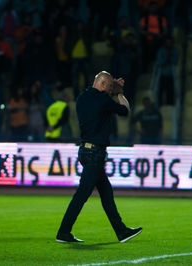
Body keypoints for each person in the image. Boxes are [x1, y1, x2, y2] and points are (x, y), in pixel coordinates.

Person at [56, 71, 142, 243]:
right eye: (109, 87)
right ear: (103, 85)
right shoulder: (104, 100)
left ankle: (121, 231)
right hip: (95, 153)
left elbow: (98, 106)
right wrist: (119, 93)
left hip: (85, 151)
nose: (110, 90)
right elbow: (125, 110)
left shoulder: (81, 98)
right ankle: (63, 232)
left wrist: (111, 89)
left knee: (106, 193)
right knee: (82, 194)